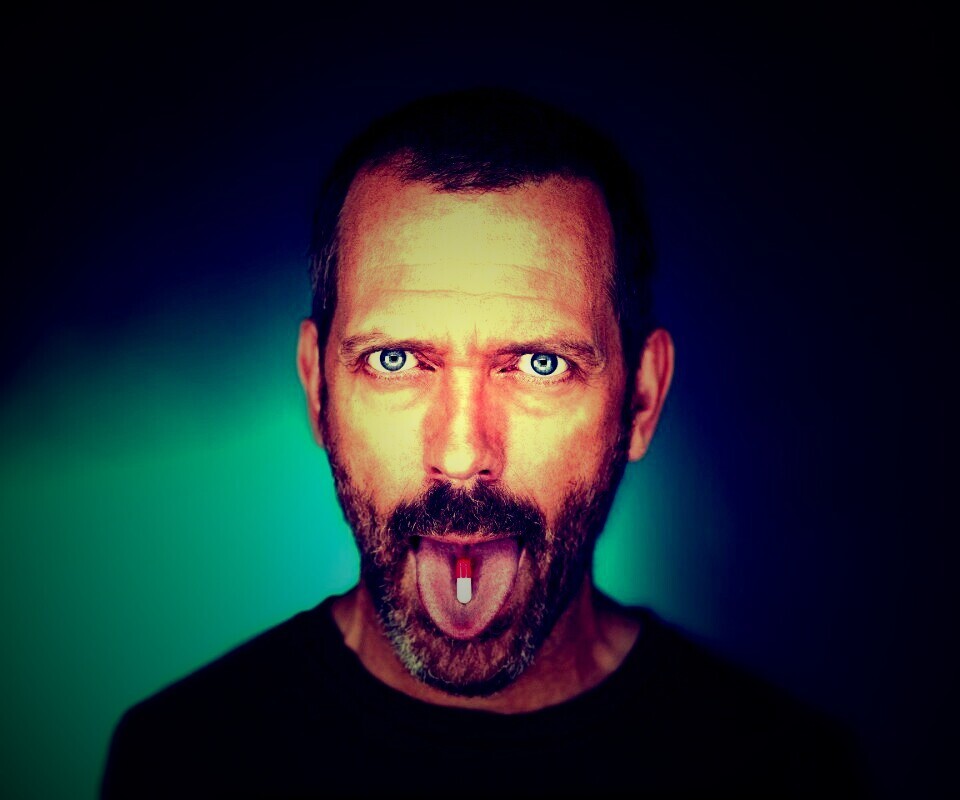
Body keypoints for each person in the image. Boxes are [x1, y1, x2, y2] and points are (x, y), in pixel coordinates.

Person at [102, 88, 863, 798]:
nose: (463, 454)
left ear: (641, 399)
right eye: (395, 360)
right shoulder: (179, 759)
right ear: (316, 389)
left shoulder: (793, 774)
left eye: (540, 364)